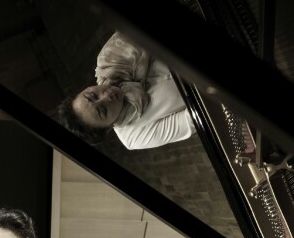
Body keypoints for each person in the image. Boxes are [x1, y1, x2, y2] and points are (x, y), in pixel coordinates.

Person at [56, 31, 196, 150]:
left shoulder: (109, 59)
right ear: (108, 128)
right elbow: (192, 119)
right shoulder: (134, 137)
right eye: (103, 110)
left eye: (93, 95)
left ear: (86, 89)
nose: (106, 96)